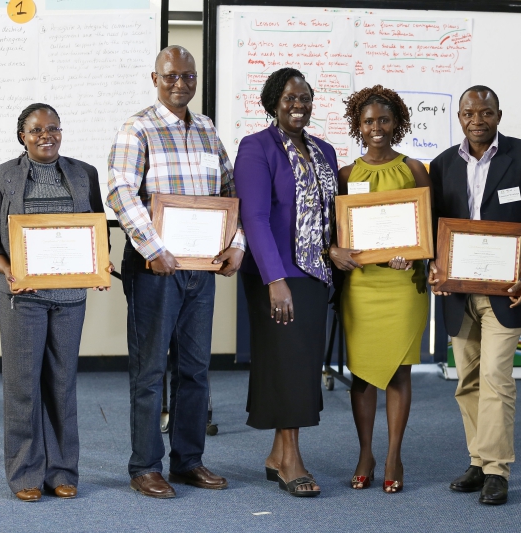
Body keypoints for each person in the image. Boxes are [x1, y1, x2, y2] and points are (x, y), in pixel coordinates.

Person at [107, 45, 244, 499]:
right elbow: (121, 191)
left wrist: (236, 245)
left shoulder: (206, 128)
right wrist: (153, 246)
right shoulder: (137, 127)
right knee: (149, 371)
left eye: (188, 77)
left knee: (195, 369)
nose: (180, 84)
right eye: (171, 77)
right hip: (155, 267)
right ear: (155, 78)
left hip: (200, 269)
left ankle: (188, 461)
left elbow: (230, 190)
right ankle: (146, 465)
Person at [427, 86, 521, 505]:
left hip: (508, 292)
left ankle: (498, 470)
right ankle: (479, 459)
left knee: (496, 378)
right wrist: (433, 265)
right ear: (460, 117)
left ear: (499, 115)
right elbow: (434, 229)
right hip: (458, 292)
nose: (477, 120)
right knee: (466, 380)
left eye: (485, 112)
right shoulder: (443, 164)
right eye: (469, 113)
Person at [0, 102, 111, 501]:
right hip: (24, 298)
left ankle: (62, 471)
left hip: (70, 298)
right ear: (22, 136)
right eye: (36, 130)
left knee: (63, 386)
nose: (46, 136)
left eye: (53, 128)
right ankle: (25, 474)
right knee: (23, 388)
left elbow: (96, 227)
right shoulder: (2, 177)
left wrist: (99, 264)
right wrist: (8, 271)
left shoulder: (84, 173)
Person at [233, 67, 337, 498]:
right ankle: (291, 460)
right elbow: (253, 217)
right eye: (290, 99)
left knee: (300, 367)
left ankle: (278, 454)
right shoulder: (256, 148)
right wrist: (276, 279)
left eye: (305, 98)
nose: (299, 106)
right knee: (286, 365)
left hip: (316, 275)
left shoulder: (325, 150)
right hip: (277, 275)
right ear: (274, 101)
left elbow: (336, 213)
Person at [329, 85, 429, 493]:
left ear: (397, 122)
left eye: (384, 120)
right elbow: (331, 229)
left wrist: (416, 256)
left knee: (400, 372)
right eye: (368, 121)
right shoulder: (347, 174)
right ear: (358, 125)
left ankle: (393, 456)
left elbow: (426, 228)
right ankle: (365, 452)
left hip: (403, 286)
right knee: (363, 375)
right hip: (362, 286)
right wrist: (334, 250)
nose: (376, 128)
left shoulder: (414, 169)